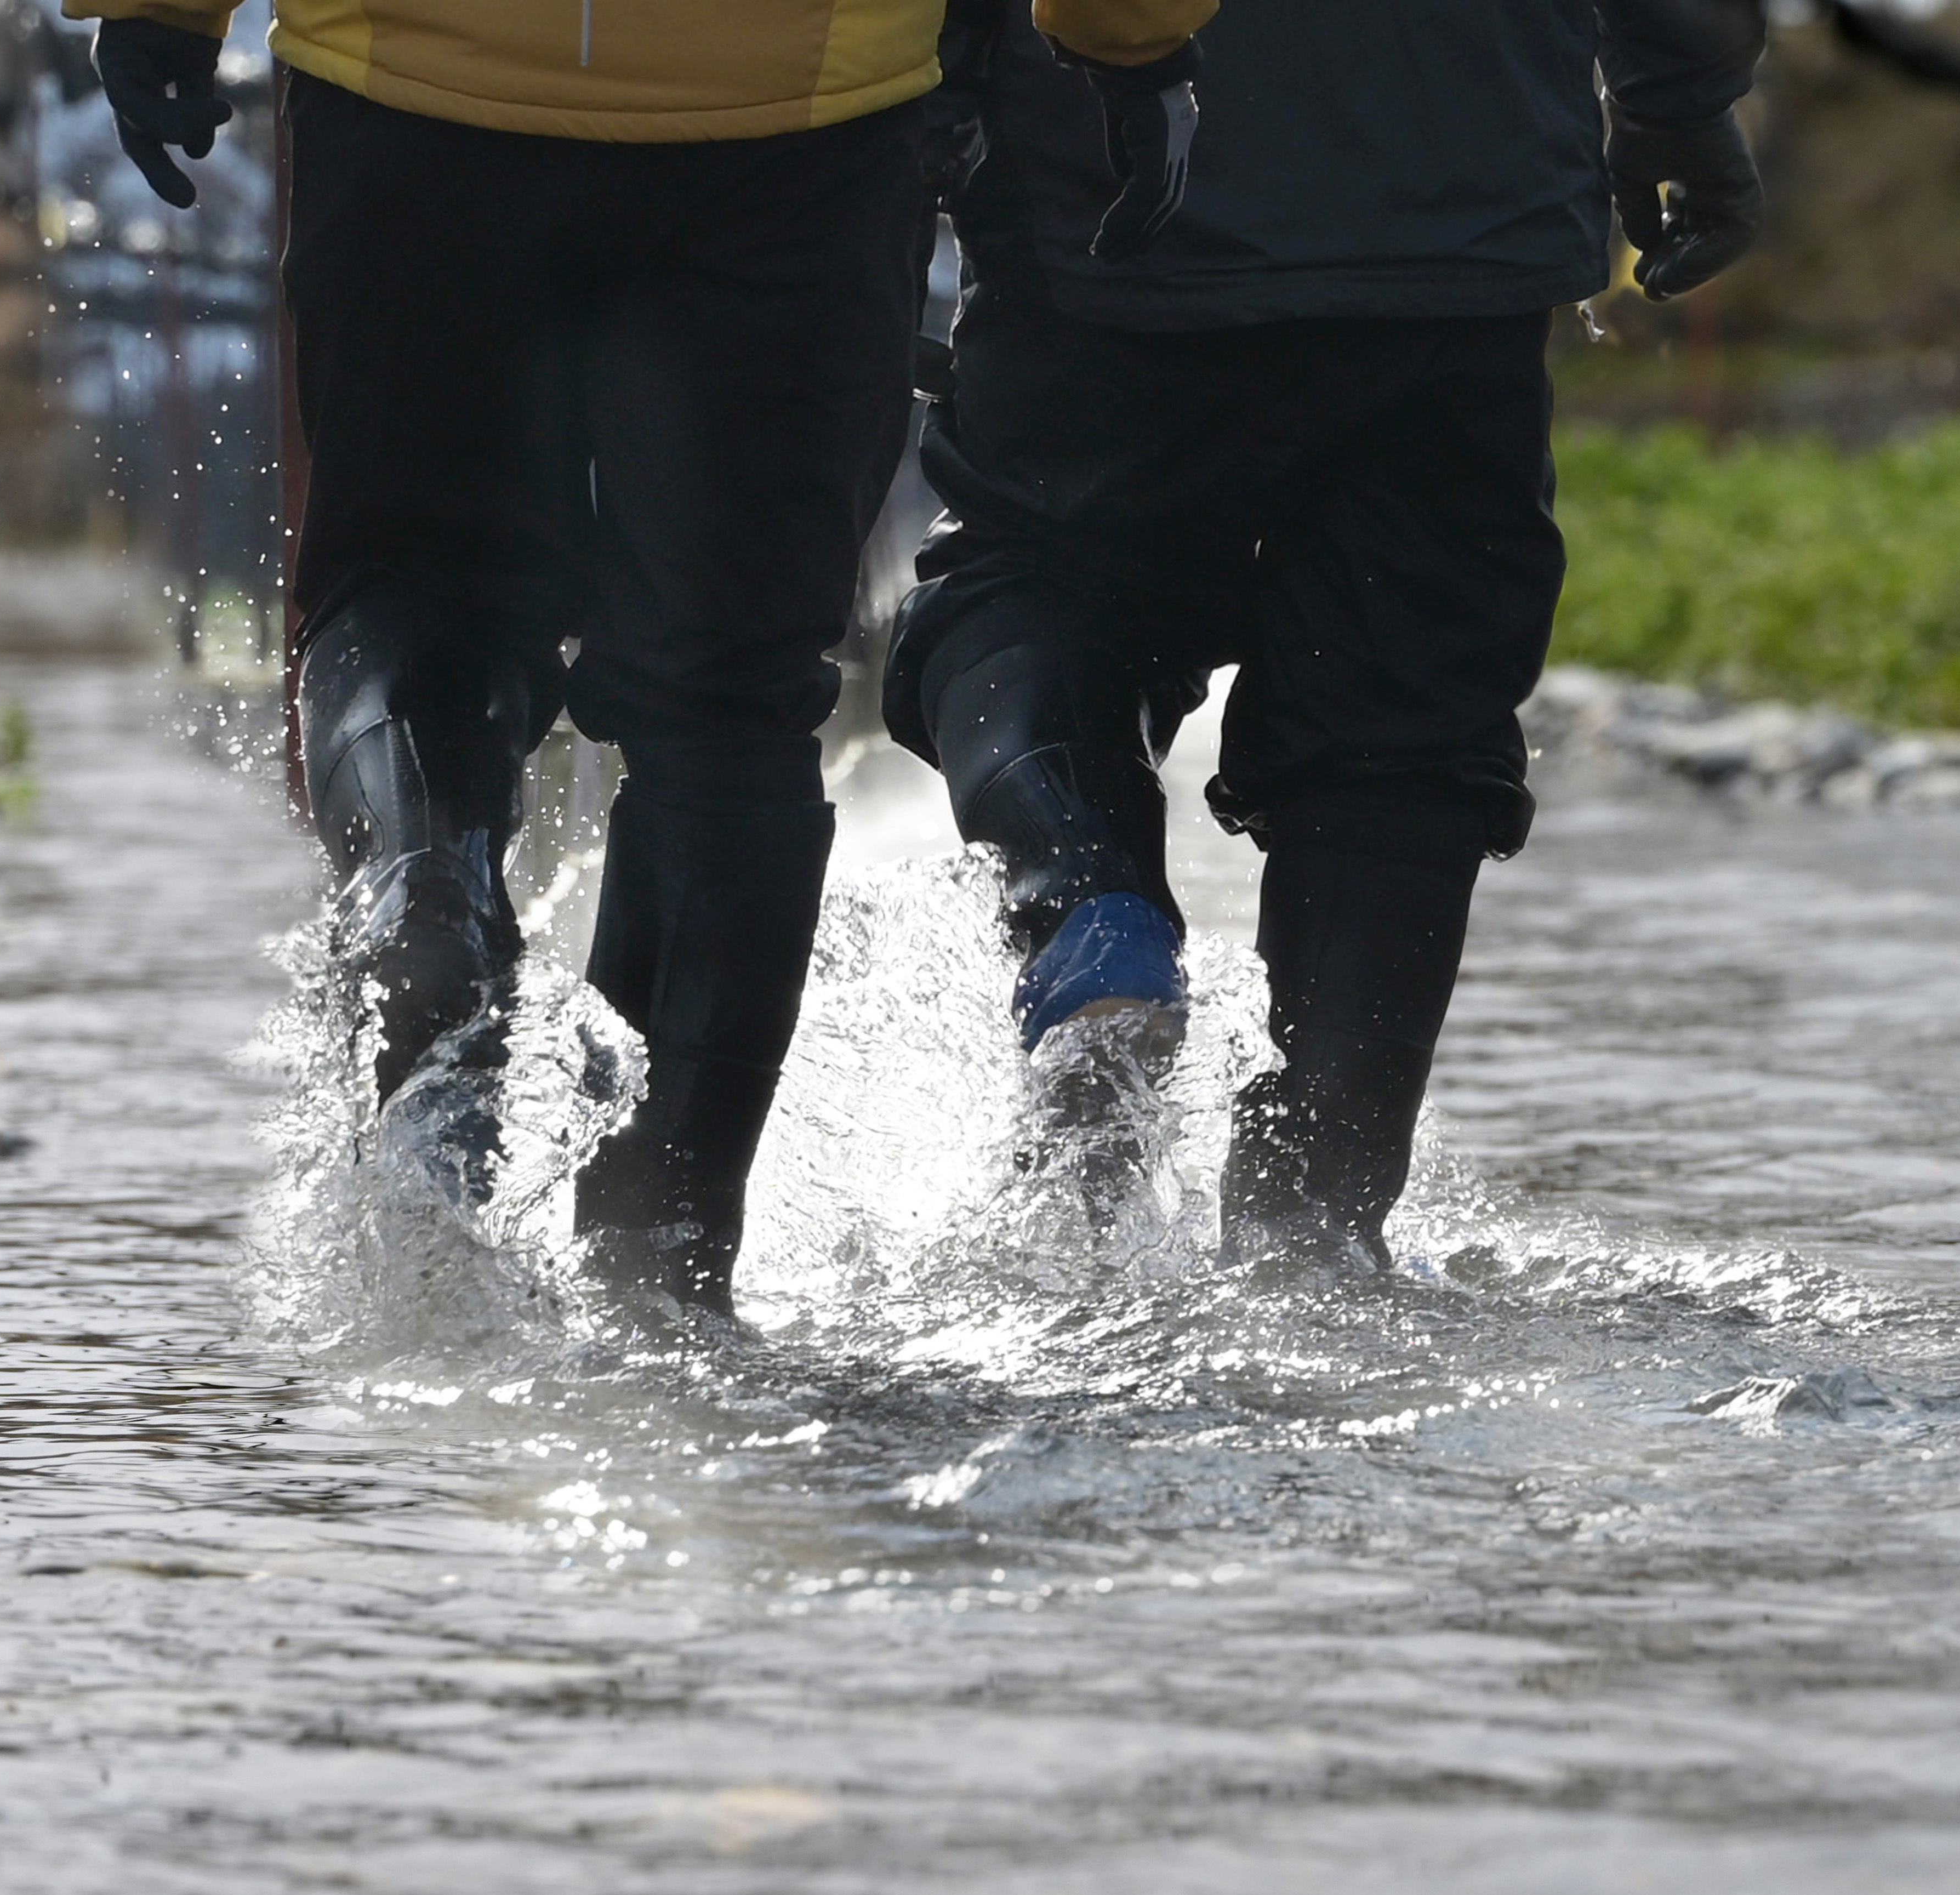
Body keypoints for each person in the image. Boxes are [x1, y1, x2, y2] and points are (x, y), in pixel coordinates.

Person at [74, 0, 1216, 1316]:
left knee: (413, 590)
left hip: (415, 82)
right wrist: (1127, 38)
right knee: (733, 696)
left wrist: (162, 14)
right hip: (802, 109)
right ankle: (661, 1289)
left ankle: (424, 892)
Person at [890, 0, 1767, 1268]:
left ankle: (1086, 904)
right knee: (1403, 713)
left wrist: (920, 121)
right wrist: (1680, 95)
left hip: (1110, 187)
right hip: (1467, 200)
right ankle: (1317, 1224)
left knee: (1037, 580)